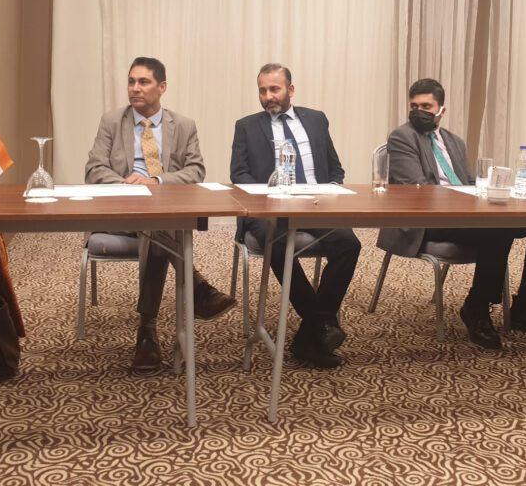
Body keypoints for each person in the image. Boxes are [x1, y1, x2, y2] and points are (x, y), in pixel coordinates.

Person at [384, 78, 526, 350]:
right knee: (496, 228)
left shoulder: (454, 141)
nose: (418, 112)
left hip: (466, 213)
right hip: (427, 218)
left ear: (441, 110)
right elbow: (416, 189)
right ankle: (477, 306)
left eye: (426, 106)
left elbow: (470, 181)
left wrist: (490, 190)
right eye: (414, 106)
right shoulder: (402, 137)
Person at [85, 56, 235, 371]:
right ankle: (198, 288)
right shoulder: (112, 121)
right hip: (121, 211)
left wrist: (155, 181)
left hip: (163, 211)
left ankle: (147, 332)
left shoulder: (183, 125)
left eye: (144, 82)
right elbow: (94, 169)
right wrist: (126, 184)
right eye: (131, 81)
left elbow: (196, 171)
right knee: (162, 229)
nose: (135, 88)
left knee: (157, 229)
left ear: (162, 87)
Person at [230, 63, 361, 369]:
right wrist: (269, 195)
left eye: (274, 89)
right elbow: (239, 174)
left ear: (290, 90)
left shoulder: (316, 120)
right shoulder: (247, 126)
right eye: (262, 90)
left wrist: (330, 192)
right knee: (277, 243)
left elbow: (335, 168)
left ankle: (309, 332)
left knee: (349, 244)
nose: (268, 96)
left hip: (316, 204)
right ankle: (320, 324)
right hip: (269, 208)